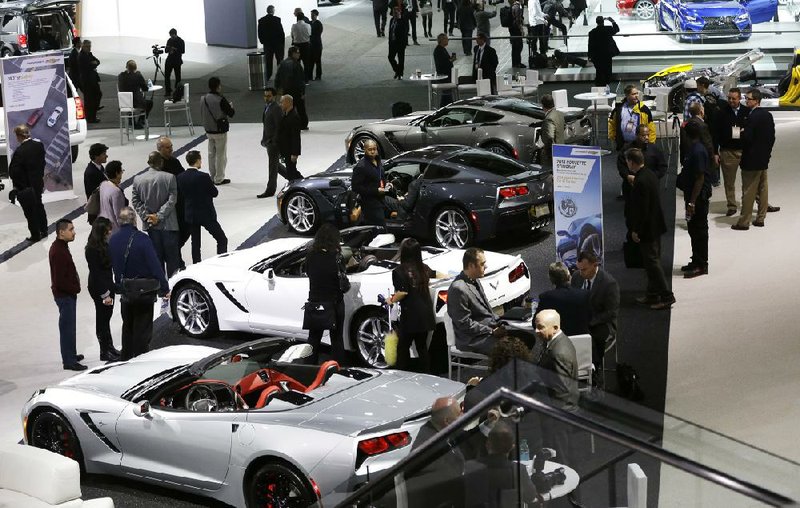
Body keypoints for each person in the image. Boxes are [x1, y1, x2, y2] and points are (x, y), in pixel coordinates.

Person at [109, 207, 170, 361]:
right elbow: (155, 265)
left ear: (119, 221)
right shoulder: (142, 239)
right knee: (143, 330)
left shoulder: (113, 240)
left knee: (128, 327)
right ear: (134, 220)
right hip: (144, 293)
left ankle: (126, 359)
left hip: (125, 291)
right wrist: (164, 287)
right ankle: (141, 360)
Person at [626, 148, 675, 310]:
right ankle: (652, 294)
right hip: (656, 225)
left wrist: (636, 230)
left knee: (652, 263)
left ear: (632, 162)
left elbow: (642, 210)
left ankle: (667, 295)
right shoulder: (650, 175)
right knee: (652, 262)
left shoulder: (640, 181)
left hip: (647, 229)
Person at [533, 309, 578, 465]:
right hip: (559, 414)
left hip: (559, 416)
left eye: (540, 327)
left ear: (555, 328)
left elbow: (562, 390)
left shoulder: (559, 352)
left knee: (562, 459)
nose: (536, 331)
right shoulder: (556, 343)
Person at [389, 238, 438, 373]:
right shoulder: (423, 268)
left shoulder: (398, 271)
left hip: (411, 317)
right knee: (422, 347)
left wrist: (390, 299)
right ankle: (426, 374)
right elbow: (435, 274)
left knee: (403, 347)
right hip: (425, 315)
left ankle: (401, 375)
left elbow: (402, 293)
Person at [570, 249, 619, 384]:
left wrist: (591, 321)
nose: (581, 273)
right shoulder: (576, 277)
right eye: (579, 269)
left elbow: (611, 312)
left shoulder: (609, 284)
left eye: (584, 269)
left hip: (602, 323)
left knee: (595, 337)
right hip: (582, 319)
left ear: (594, 265)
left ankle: (594, 369)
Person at [463, 421, 538, 508]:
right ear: (512, 447)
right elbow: (530, 496)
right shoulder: (518, 470)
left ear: (487, 444)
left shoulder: (470, 466)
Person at [732, 89, 777, 231]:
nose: (746, 100)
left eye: (749, 98)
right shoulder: (767, 115)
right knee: (763, 189)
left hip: (751, 161)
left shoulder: (752, 117)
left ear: (756, 100)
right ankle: (760, 218)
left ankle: (744, 222)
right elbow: (772, 137)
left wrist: (741, 133)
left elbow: (748, 138)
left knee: (748, 191)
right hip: (763, 159)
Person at [305, 223, 348, 364]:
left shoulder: (310, 256)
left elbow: (308, 272)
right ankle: (337, 369)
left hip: (316, 303)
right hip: (334, 303)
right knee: (336, 339)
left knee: (313, 339)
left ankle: (308, 369)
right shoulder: (337, 257)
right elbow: (344, 284)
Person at [131, 151, 180, 278]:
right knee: (172, 260)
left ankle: (161, 289)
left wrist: (148, 217)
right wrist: (159, 216)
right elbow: (172, 200)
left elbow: (136, 201)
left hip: (151, 226)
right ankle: (173, 287)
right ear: (161, 162)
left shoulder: (138, 179)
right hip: (169, 225)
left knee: (156, 259)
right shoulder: (169, 178)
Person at [448, 248, 505, 354]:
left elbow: (486, 311)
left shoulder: (475, 280)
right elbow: (464, 324)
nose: (486, 266)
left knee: (525, 338)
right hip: (473, 339)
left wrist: (500, 323)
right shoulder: (458, 289)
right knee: (510, 350)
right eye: (482, 264)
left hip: (489, 329)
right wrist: (491, 331)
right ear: (471, 266)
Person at [177, 150, 228, 264]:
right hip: (206, 214)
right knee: (221, 238)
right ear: (198, 160)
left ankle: (197, 265)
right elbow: (214, 192)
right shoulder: (203, 176)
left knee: (195, 243)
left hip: (191, 214)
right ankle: (222, 262)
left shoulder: (180, 177)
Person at [49, 219, 84, 371]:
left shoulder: (61, 247)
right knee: (67, 328)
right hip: (64, 296)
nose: (74, 232)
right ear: (61, 232)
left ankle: (71, 354)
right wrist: (74, 289)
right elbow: (59, 280)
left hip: (66, 294)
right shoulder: (58, 251)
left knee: (70, 327)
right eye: (71, 229)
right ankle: (69, 361)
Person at [85, 217, 121, 362]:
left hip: (107, 285)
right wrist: (105, 294)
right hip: (100, 288)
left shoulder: (104, 245)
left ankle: (110, 348)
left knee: (106, 318)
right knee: (102, 319)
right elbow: (97, 274)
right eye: (108, 230)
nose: (111, 232)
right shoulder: (92, 250)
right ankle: (104, 351)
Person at [680, 122, 712, 279]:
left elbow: (700, 178)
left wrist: (692, 202)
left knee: (699, 231)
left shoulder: (698, 151)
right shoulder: (694, 148)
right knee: (693, 229)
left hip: (698, 198)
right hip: (692, 195)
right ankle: (696, 259)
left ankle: (701, 264)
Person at [8, 125, 47, 242]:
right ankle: (44, 230)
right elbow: (42, 164)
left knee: (30, 211)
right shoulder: (39, 146)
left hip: (26, 187)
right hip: (38, 183)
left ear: (19, 136)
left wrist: (18, 185)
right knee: (39, 205)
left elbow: (13, 171)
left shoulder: (20, 151)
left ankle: (35, 235)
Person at [715, 87, 749, 216]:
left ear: (739, 98)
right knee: (729, 182)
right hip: (728, 151)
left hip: (745, 151)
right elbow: (715, 134)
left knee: (750, 180)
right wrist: (715, 152)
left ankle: (751, 201)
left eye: (733, 98)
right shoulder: (721, 113)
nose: (731, 101)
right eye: (729, 98)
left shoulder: (747, 112)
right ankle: (731, 205)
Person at [156, 136, 188, 269]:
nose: (171, 149)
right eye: (168, 147)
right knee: (174, 237)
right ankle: (176, 262)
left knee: (184, 232)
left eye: (171, 146)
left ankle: (175, 258)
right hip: (168, 206)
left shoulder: (174, 161)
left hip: (180, 203)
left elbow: (182, 177)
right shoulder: (158, 166)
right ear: (160, 149)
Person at [537, 262, 590, 336]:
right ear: (569, 276)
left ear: (551, 279)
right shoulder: (584, 295)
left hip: (558, 341)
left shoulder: (546, 297)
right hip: (582, 340)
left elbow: (537, 323)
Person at [617, 124, 666, 203]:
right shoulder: (627, 149)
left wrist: (651, 177)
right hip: (631, 186)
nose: (646, 137)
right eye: (643, 135)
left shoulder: (655, 149)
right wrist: (627, 175)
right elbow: (621, 164)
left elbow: (662, 167)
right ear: (636, 135)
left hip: (650, 187)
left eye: (647, 135)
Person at [200, 77, 235, 186]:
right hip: (219, 130)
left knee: (211, 154)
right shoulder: (220, 99)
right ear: (218, 86)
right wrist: (231, 107)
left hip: (208, 130)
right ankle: (219, 178)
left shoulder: (204, 98)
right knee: (221, 155)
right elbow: (231, 113)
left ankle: (212, 176)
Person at [351, 139, 389, 226]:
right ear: (365, 150)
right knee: (380, 229)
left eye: (374, 149)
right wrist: (376, 190)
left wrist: (387, 183)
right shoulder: (361, 166)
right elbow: (355, 187)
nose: (372, 151)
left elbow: (380, 177)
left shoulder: (378, 161)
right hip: (370, 204)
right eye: (370, 149)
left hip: (381, 200)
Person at [608, 84, 655, 152]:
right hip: (623, 145)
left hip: (639, 146)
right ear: (627, 95)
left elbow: (651, 128)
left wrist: (650, 144)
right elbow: (612, 124)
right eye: (633, 94)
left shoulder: (644, 110)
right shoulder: (619, 109)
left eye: (637, 93)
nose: (636, 96)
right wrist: (614, 137)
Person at [258, 87, 286, 198]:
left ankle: (270, 190)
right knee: (275, 165)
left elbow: (279, 127)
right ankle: (294, 179)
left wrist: (273, 141)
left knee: (272, 166)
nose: (266, 98)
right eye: (265, 96)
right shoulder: (268, 107)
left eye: (268, 96)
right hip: (269, 141)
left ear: (274, 96)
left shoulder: (276, 109)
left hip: (273, 143)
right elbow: (267, 125)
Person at [275, 46, 309, 129]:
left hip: (285, 90)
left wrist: (277, 89)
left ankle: (287, 124)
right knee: (300, 108)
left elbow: (277, 77)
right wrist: (302, 92)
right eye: (298, 53)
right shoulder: (296, 65)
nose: (299, 54)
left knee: (287, 108)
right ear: (293, 54)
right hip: (296, 90)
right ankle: (303, 125)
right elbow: (300, 80)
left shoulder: (282, 63)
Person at [277, 95, 305, 182]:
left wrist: (295, 153)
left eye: (282, 102)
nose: (280, 104)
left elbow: (296, 137)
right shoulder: (287, 115)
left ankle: (301, 184)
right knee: (291, 171)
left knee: (291, 172)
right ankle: (301, 183)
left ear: (288, 103)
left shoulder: (293, 117)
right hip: (286, 150)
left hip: (290, 151)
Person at [587, 16, 619, 86]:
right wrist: (612, 21)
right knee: (607, 68)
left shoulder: (592, 32)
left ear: (596, 22)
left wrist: (589, 56)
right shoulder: (608, 29)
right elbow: (617, 29)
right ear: (603, 22)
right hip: (607, 54)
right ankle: (607, 82)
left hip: (597, 55)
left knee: (599, 70)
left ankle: (600, 83)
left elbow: (590, 45)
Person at [258, 5, 285, 82]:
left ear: (267, 11)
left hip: (267, 44)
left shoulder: (261, 20)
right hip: (277, 44)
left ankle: (267, 76)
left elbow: (260, 33)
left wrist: (262, 41)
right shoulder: (277, 19)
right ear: (273, 11)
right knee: (279, 60)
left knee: (268, 61)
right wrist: (282, 43)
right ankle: (280, 77)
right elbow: (281, 33)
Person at [97, 161, 126, 232]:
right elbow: (119, 215)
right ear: (117, 173)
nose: (122, 173)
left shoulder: (103, 184)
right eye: (121, 171)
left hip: (103, 224)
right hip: (114, 229)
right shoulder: (116, 192)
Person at [84, 142, 109, 224]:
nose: (106, 156)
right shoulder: (91, 172)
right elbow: (94, 194)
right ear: (96, 156)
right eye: (104, 154)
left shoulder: (99, 167)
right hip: (98, 213)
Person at [78, 39, 102, 123]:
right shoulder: (82, 56)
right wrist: (93, 64)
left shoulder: (89, 54)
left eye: (90, 46)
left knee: (97, 95)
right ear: (83, 47)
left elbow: (98, 61)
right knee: (89, 99)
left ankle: (93, 115)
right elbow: (88, 67)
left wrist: (93, 63)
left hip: (93, 79)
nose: (89, 48)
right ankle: (90, 117)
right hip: (87, 81)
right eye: (88, 47)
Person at [540, 93, 565, 168]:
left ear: (543, 105)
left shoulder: (549, 119)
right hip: (561, 147)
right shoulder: (560, 114)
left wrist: (546, 150)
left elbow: (549, 136)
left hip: (552, 152)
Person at [433, 34, 457, 107]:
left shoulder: (442, 49)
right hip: (443, 75)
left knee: (447, 93)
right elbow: (442, 63)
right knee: (447, 92)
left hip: (446, 74)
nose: (448, 40)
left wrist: (450, 60)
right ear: (442, 40)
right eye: (446, 39)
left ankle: (445, 106)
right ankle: (448, 106)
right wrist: (450, 61)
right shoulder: (438, 50)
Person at [388, 5, 410, 79]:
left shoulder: (403, 21)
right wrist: (389, 41)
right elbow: (390, 32)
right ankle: (397, 70)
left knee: (401, 59)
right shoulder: (391, 20)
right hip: (392, 43)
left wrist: (404, 43)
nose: (395, 14)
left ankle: (400, 74)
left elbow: (405, 32)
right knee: (390, 57)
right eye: (394, 13)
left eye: (397, 12)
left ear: (400, 12)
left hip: (400, 43)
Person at [291, 9, 313, 84]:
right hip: (306, 45)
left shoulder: (294, 26)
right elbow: (309, 34)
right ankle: (306, 80)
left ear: (297, 17)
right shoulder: (308, 25)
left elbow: (292, 35)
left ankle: (298, 79)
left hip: (297, 46)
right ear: (303, 18)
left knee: (297, 63)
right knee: (306, 63)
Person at [164, 28, 185, 96]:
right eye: (170, 36)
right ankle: (168, 91)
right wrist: (168, 49)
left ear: (175, 34)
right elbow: (166, 51)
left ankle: (178, 91)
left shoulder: (181, 41)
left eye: (172, 36)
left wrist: (174, 49)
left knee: (178, 77)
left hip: (177, 60)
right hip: (169, 60)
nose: (171, 37)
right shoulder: (169, 40)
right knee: (167, 76)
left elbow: (182, 51)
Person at [508, 0, 525, 68]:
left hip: (512, 28)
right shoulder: (517, 6)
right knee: (518, 46)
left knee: (514, 47)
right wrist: (521, 29)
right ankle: (518, 63)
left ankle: (514, 63)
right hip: (516, 29)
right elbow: (518, 19)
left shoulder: (512, 5)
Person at [310, 10, 324, 81]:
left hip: (317, 45)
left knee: (318, 61)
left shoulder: (319, 24)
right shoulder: (309, 23)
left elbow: (318, 33)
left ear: (316, 15)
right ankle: (310, 76)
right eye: (311, 14)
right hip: (311, 45)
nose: (311, 16)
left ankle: (318, 75)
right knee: (311, 61)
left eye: (313, 15)